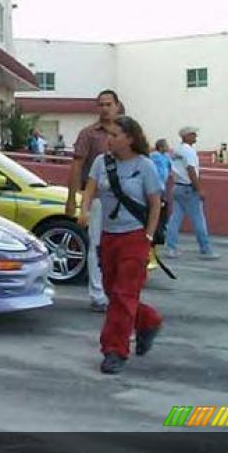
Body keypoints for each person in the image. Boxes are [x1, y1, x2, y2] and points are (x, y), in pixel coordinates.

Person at [78, 116, 163, 374]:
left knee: (124, 295)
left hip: (134, 237)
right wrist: (84, 209)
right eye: (109, 135)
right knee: (113, 291)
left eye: (115, 135)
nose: (109, 140)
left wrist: (148, 237)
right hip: (109, 236)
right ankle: (148, 320)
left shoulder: (145, 166)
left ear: (130, 139)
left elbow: (155, 203)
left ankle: (114, 350)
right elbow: (90, 191)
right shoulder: (101, 163)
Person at [66, 89, 121, 312]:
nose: (105, 108)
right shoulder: (88, 134)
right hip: (97, 199)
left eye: (109, 104)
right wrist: (73, 200)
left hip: (124, 204)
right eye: (101, 105)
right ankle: (98, 295)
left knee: (120, 248)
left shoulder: (127, 132)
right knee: (97, 247)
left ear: (117, 105)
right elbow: (77, 166)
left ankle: (116, 292)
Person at [165, 126, 218, 259]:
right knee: (198, 219)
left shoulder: (176, 150)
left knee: (175, 219)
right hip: (188, 188)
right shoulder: (189, 152)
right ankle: (205, 249)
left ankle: (171, 248)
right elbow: (191, 170)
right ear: (186, 136)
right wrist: (199, 189)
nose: (195, 137)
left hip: (177, 187)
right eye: (193, 134)